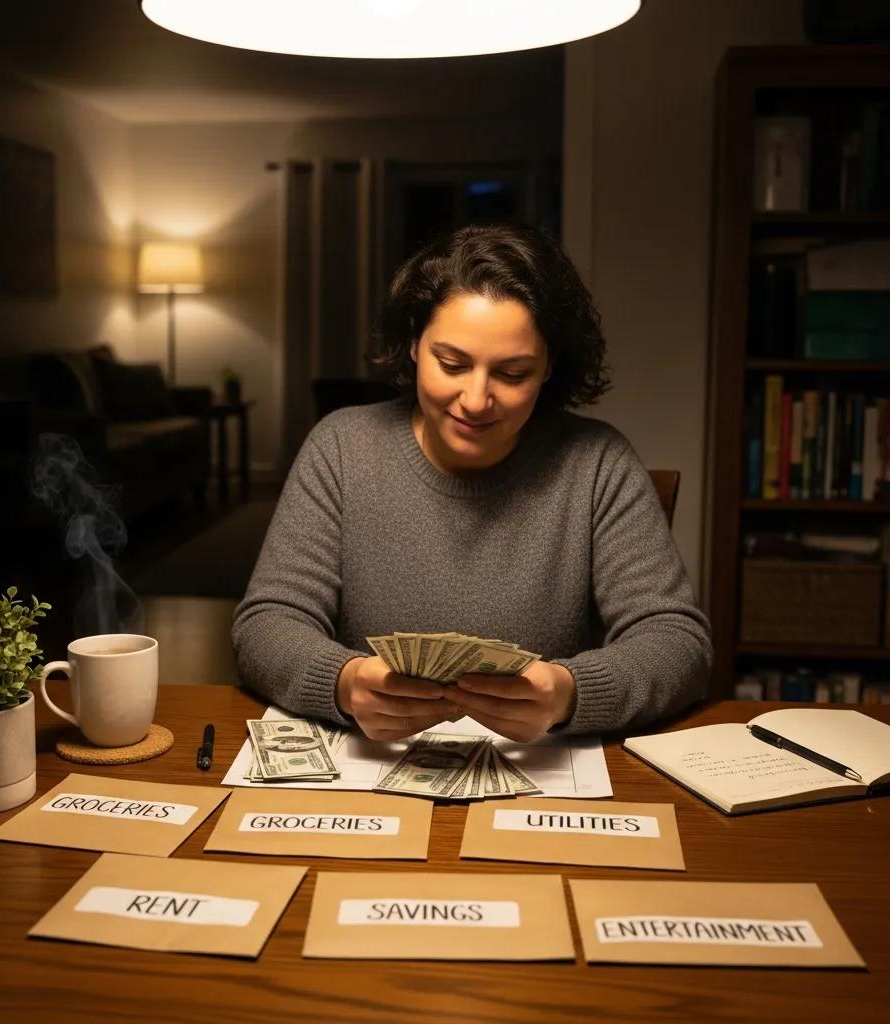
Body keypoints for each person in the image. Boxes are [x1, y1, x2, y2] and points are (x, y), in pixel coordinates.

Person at [232, 223, 712, 742]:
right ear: (414, 344)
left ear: (549, 367)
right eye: (453, 363)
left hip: (537, 774)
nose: (476, 399)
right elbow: (266, 624)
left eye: (512, 373)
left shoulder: (597, 463)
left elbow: (678, 641)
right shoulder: (342, 447)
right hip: (376, 767)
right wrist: (343, 684)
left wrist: (570, 693)